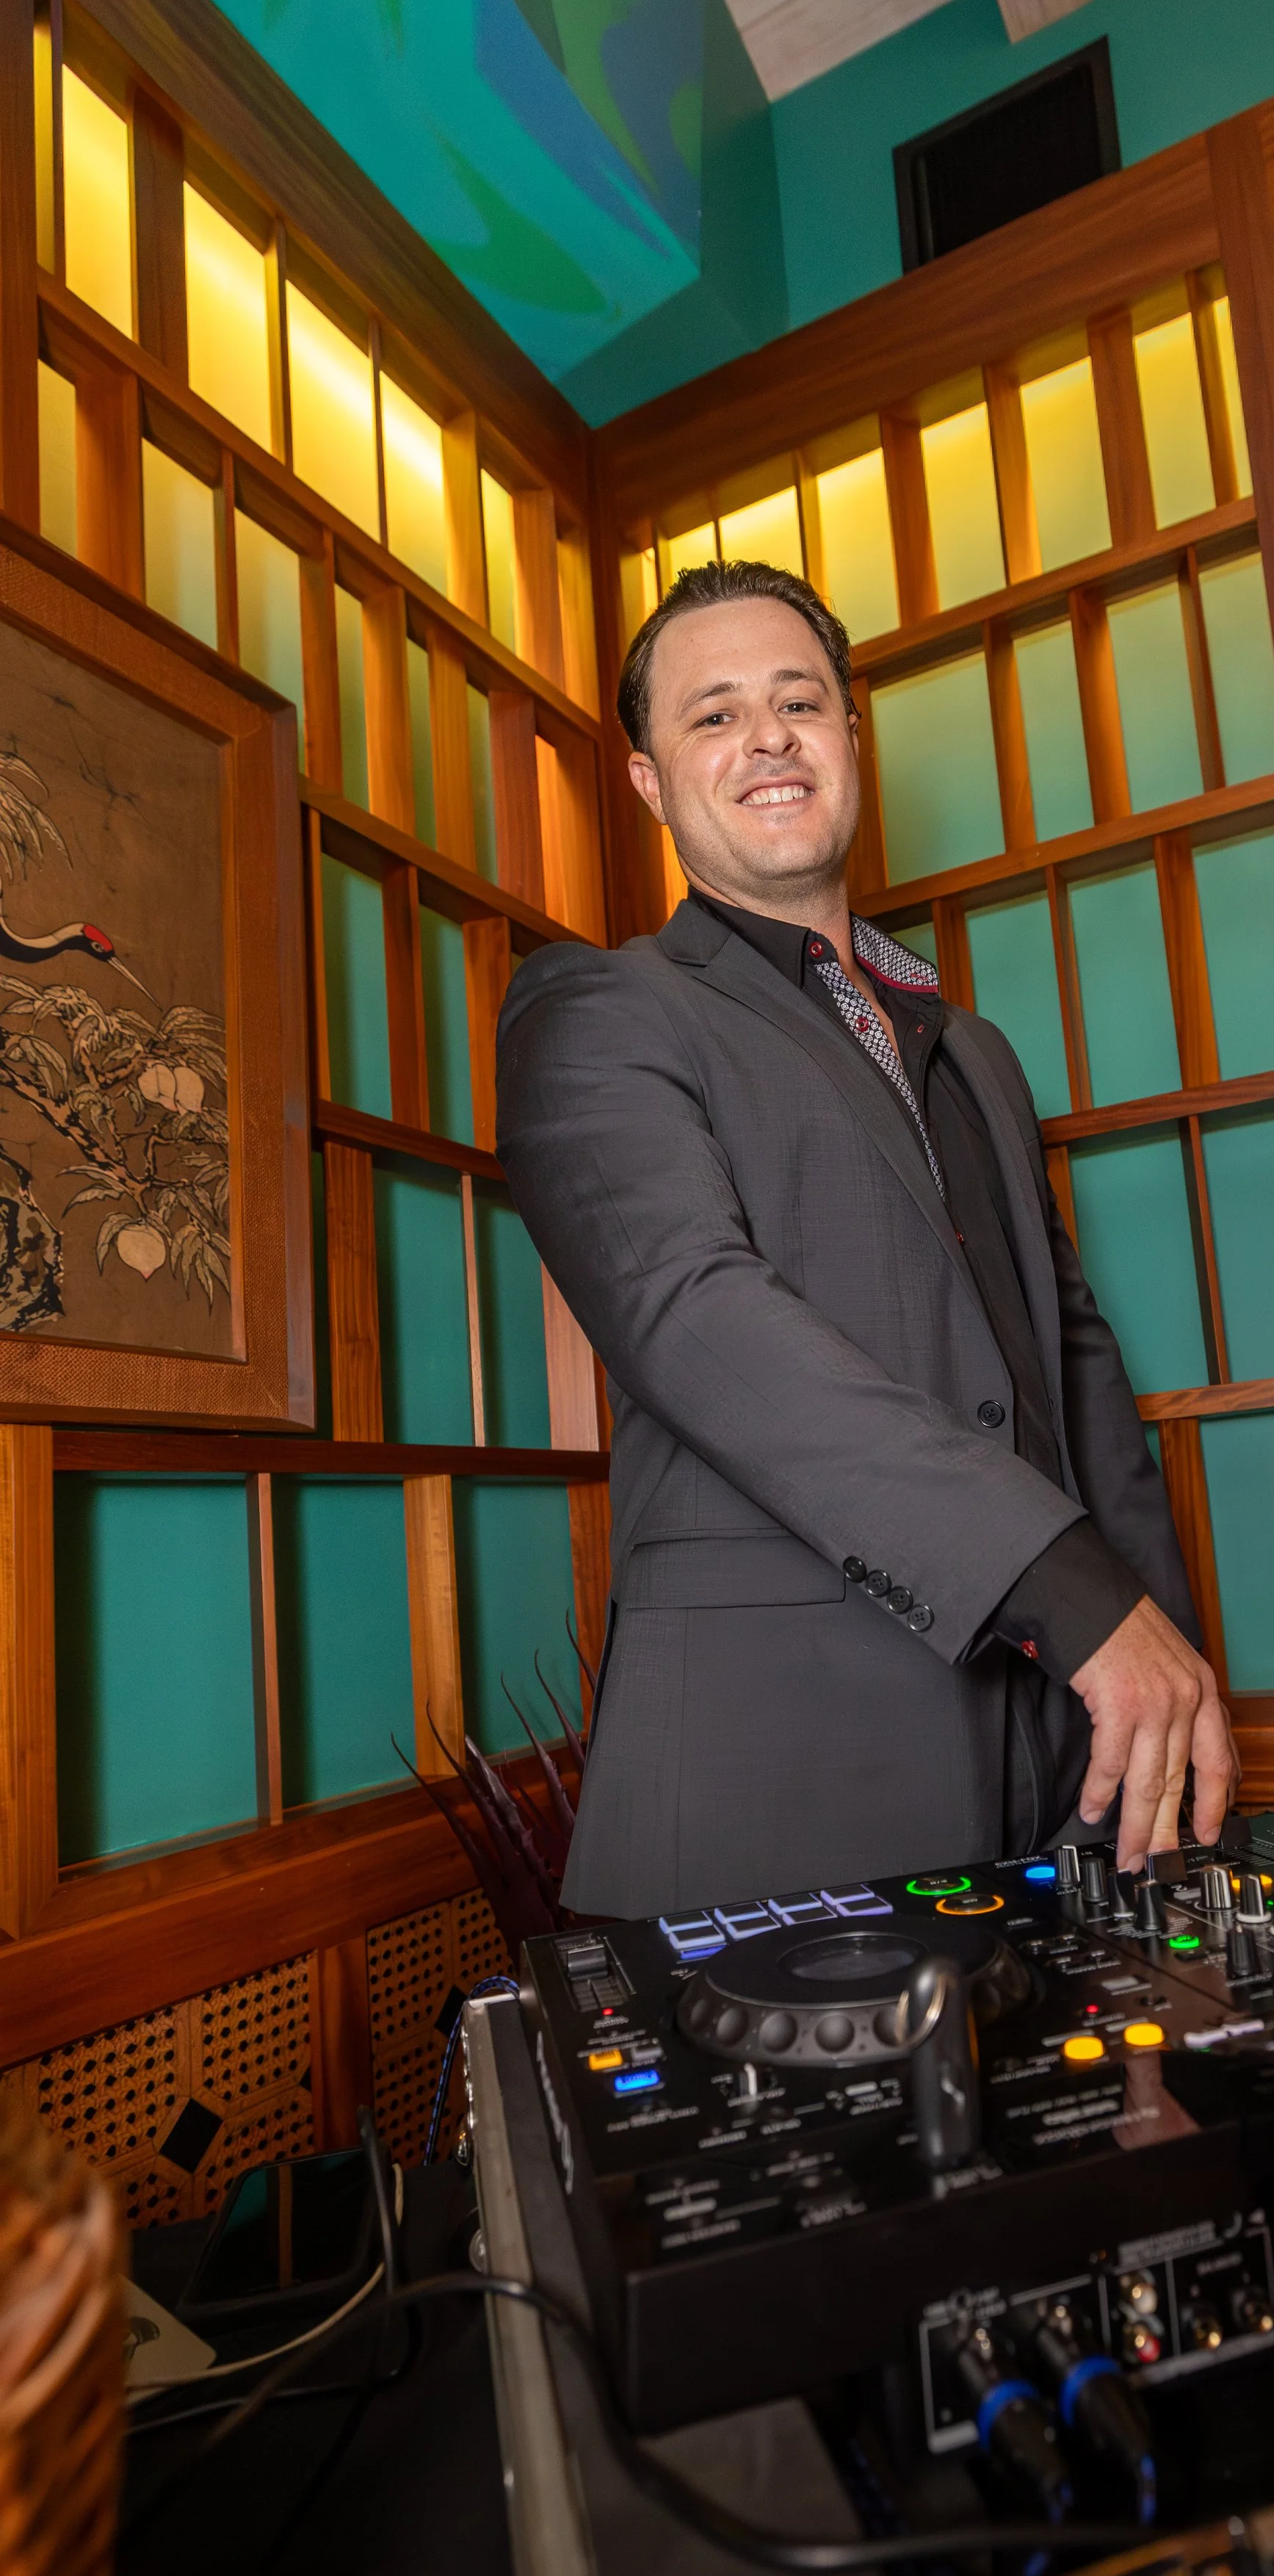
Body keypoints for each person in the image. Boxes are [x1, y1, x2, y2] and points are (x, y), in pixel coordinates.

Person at [494, 558, 1236, 1916]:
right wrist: (1071, 1594)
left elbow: (1073, 1368)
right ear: (653, 784)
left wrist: (1159, 1660)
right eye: (712, 715)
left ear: (850, 740)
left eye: (799, 700)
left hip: (1059, 1759)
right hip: (779, 1782)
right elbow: (700, 1317)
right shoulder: (600, 1009)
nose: (767, 736)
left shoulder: (978, 1053)